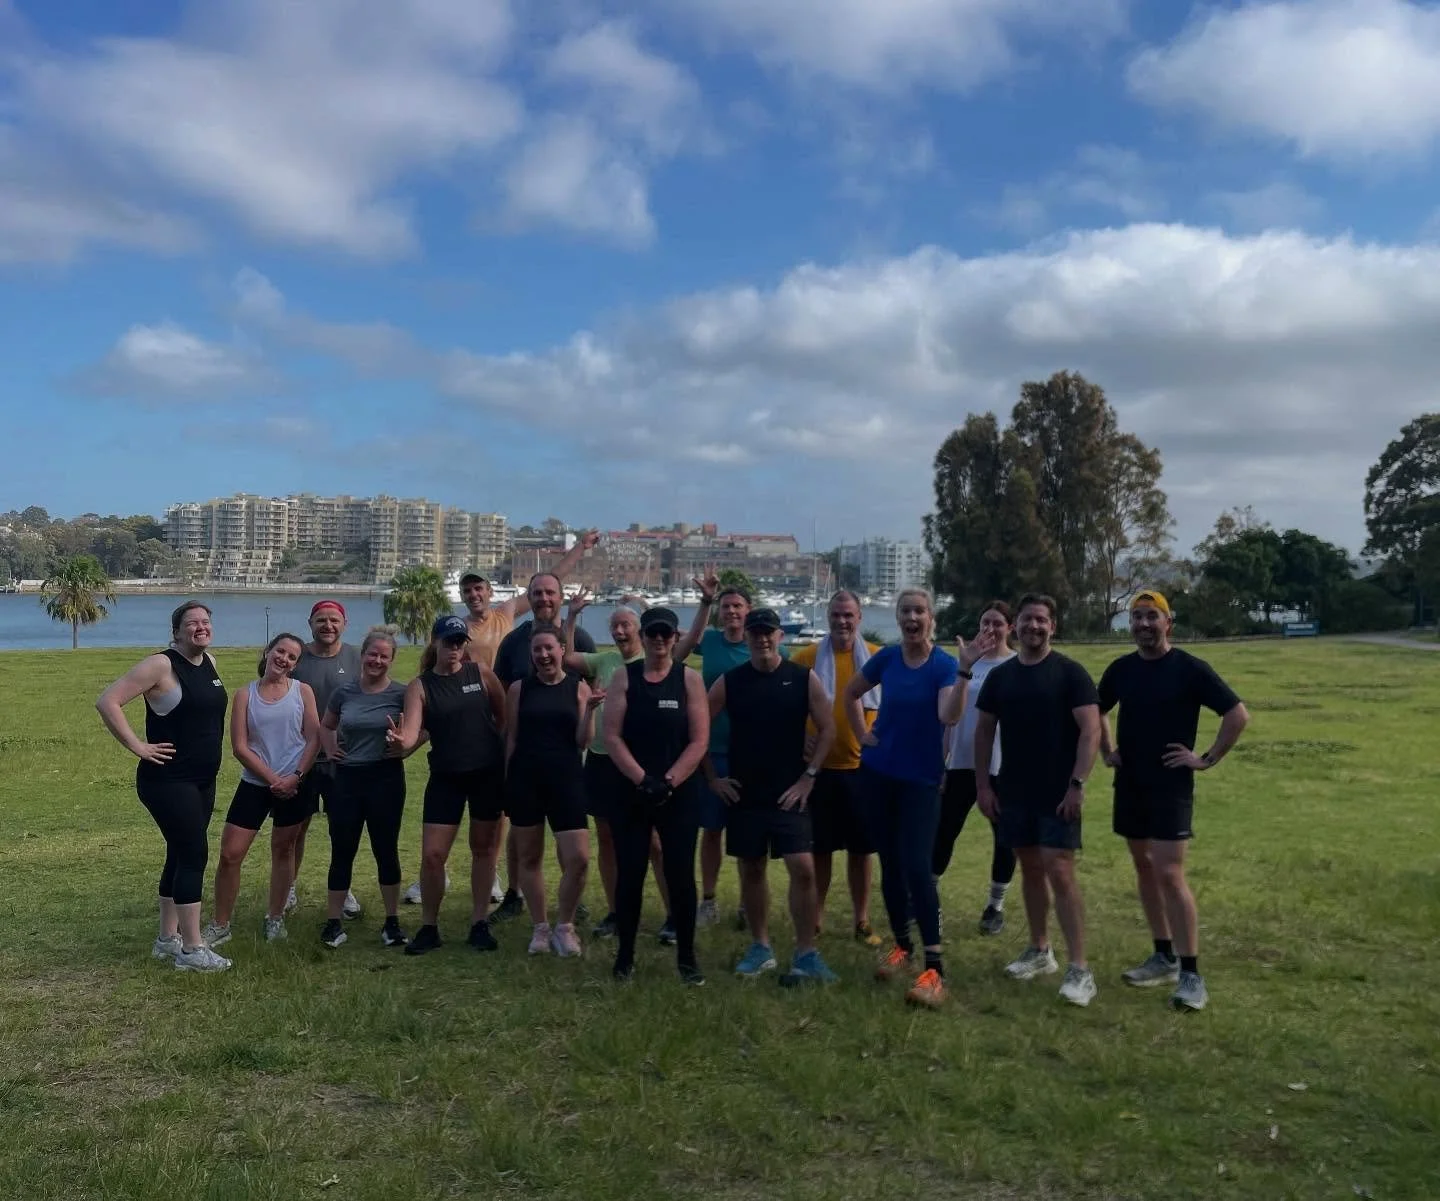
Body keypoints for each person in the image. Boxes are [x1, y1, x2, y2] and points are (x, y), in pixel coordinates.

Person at [1098, 589, 1249, 1012]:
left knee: (1169, 873)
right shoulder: (1122, 669)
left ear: (1169, 624)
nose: (1144, 624)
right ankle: (1162, 955)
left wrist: (1204, 759)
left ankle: (1191, 975)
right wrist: (1106, 749)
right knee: (1144, 867)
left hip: (1170, 787)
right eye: (1137, 618)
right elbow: (1096, 709)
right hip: (1130, 784)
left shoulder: (1189, 669)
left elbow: (1237, 714)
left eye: (1152, 617)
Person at [843, 588, 990, 1008]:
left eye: (919, 611)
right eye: (905, 611)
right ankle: (902, 947)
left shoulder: (944, 666)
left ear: (931, 620)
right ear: (898, 617)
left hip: (921, 780)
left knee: (917, 867)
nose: (912, 617)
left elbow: (949, 716)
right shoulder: (888, 658)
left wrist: (964, 672)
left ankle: (935, 968)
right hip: (878, 774)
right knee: (889, 861)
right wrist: (862, 736)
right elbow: (852, 693)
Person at [974, 593, 1101, 1007]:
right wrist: (983, 786)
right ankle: (1039, 949)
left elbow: (1090, 732)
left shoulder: (1070, 674)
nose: (1033, 626)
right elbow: (984, 733)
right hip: (1013, 790)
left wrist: (1078, 784)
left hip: (1058, 793)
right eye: (1027, 619)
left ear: (1053, 626)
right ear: (1017, 626)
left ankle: (1080, 968)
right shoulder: (1001, 677)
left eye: (1041, 620)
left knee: (1060, 871)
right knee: (1029, 868)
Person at [96, 600, 231, 972]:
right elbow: (108, 700)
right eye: (192, 623)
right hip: (168, 780)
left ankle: (167, 940)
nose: (201, 627)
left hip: (202, 779)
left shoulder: (211, 663)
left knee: (180, 851)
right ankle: (192, 950)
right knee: (193, 855)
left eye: (206, 621)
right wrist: (138, 746)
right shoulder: (161, 664)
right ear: (176, 631)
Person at [709, 608, 838, 983]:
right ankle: (760, 946)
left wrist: (809, 777)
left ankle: (805, 953)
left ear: (780, 636)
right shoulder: (730, 682)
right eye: (756, 633)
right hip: (745, 794)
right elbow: (698, 725)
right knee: (752, 868)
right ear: (746, 637)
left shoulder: (802, 678)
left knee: (803, 868)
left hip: (790, 793)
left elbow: (827, 729)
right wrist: (713, 779)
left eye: (769, 632)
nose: (762, 639)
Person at [389, 614, 507, 956]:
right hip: (446, 778)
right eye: (448, 642)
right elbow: (411, 732)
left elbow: (503, 716)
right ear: (435, 643)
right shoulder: (421, 686)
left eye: (459, 642)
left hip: (486, 776)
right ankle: (429, 926)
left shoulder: (481, 674)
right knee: (432, 855)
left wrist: (493, 751)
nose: (454, 648)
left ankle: (479, 923)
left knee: (483, 850)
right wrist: (400, 743)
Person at [603, 606, 710, 984]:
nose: (660, 640)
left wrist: (668, 780)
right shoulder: (624, 677)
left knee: (680, 874)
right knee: (630, 874)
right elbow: (612, 735)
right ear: (643, 637)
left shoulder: (689, 680)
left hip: (679, 793)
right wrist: (641, 779)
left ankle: (686, 957)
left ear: (675, 637)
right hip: (631, 792)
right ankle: (625, 955)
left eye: (666, 634)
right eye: (653, 633)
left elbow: (699, 740)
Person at [491, 562, 600, 921]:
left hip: (566, 750)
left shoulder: (578, 639)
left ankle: (571, 899)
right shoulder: (514, 641)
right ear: (529, 597)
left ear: (560, 597)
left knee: (567, 833)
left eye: (550, 593)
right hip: (525, 749)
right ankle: (513, 892)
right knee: (522, 830)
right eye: (537, 593)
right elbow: (502, 690)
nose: (543, 599)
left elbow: (592, 687)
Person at [562, 593, 673, 942]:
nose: (619, 631)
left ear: (639, 630)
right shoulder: (604, 661)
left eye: (626, 625)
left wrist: (642, 604)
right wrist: (571, 617)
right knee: (607, 839)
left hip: (639, 764)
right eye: (615, 626)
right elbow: (567, 657)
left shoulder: (651, 661)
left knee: (655, 842)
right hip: (600, 761)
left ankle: (673, 914)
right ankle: (615, 912)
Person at [204, 633, 321, 947]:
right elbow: (240, 748)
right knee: (230, 854)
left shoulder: (303, 692)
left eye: (292, 657)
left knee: (283, 850)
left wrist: (295, 776)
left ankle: (275, 917)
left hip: (296, 785)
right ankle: (220, 924)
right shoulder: (246, 694)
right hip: (256, 783)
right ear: (268, 651)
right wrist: (273, 779)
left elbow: (313, 738)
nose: (283, 659)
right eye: (280, 651)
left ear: (295, 665)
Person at [786, 590, 882, 946]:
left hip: (862, 769)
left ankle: (861, 919)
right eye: (836, 615)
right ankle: (817, 915)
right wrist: (799, 738)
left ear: (859, 618)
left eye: (849, 615)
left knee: (861, 850)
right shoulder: (806, 658)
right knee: (821, 848)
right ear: (828, 617)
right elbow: (786, 708)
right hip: (819, 770)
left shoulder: (876, 658)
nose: (842, 621)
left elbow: (892, 705)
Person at [504, 624, 600, 957]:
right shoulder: (519, 689)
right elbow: (512, 738)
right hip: (525, 780)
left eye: (549, 648)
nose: (543, 655)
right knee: (529, 857)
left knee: (579, 859)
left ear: (562, 649)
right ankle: (540, 927)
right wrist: (507, 781)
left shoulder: (579, 688)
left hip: (567, 780)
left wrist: (588, 712)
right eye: (537, 650)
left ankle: (565, 925)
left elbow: (583, 741)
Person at [319, 627, 411, 950]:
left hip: (385, 778)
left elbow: (421, 729)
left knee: (385, 850)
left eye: (384, 656)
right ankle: (333, 922)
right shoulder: (344, 693)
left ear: (391, 660)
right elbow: (326, 725)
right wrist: (330, 750)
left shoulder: (401, 694)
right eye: (372, 654)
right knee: (342, 849)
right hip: (347, 779)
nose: (377, 660)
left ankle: (392, 921)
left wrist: (405, 747)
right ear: (363, 656)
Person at [933, 601, 1018, 936]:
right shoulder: (964, 663)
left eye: (998, 623)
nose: (991, 629)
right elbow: (949, 719)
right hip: (961, 763)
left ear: (1010, 628)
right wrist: (941, 762)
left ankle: (995, 906)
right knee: (943, 832)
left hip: (1002, 766)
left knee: (1004, 839)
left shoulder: (1016, 665)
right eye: (985, 623)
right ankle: (928, 897)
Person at [672, 578, 749, 928]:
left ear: (748, 611)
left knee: (749, 832)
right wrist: (705, 602)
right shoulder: (713, 641)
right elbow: (686, 643)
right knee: (712, 829)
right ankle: (709, 899)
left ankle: (750, 901)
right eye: (727, 606)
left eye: (738, 606)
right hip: (711, 749)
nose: (732, 611)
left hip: (750, 752)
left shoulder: (765, 645)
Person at [289, 600, 364, 920]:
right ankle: (287, 885)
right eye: (321, 620)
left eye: (334, 620)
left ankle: (342, 888)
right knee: (295, 828)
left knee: (342, 828)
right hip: (300, 758)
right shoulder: (295, 657)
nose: (328, 626)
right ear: (310, 623)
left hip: (343, 758)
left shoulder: (357, 658)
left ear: (344, 624)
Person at [458, 531, 599, 669]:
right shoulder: (460, 629)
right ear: (462, 596)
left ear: (490, 591)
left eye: (478, 589)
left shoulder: (504, 613)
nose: (473, 594)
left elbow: (551, 577)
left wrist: (580, 547)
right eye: (467, 591)